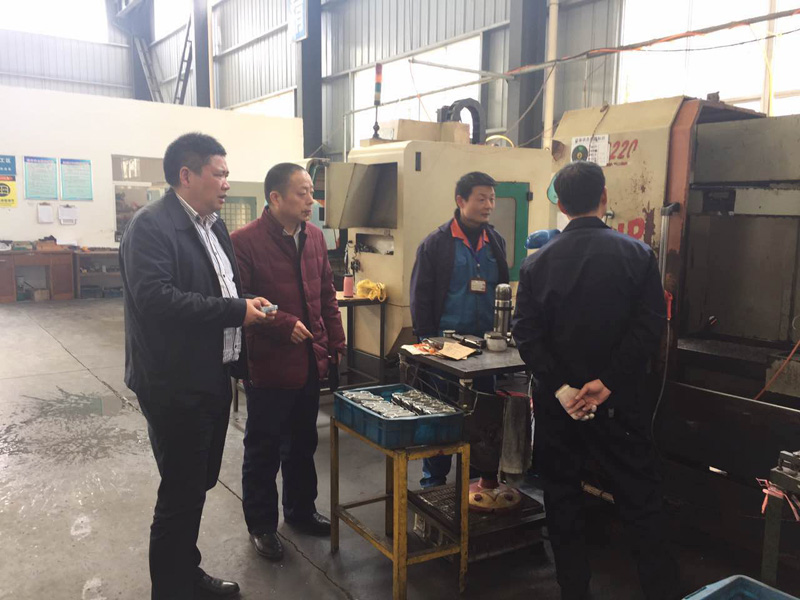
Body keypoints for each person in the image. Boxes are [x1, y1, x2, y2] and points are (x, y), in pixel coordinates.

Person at [512, 160, 678, 600]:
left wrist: (563, 388)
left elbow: (525, 333)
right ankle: (661, 590)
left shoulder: (536, 264)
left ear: (562, 206)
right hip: (620, 404)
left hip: (560, 407)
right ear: (604, 197)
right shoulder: (638, 255)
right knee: (641, 500)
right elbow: (650, 327)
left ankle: (574, 591)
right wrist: (607, 383)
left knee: (562, 498)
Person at [120, 132, 272, 599]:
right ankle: (171, 589)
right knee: (180, 493)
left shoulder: (213, 226)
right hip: (174, 382)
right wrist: (235, 311)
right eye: (218, 174)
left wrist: (245, 302)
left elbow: (216, 289)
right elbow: (157, 300)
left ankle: (186, 573)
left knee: (196, 485)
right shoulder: (151, 226)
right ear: (186, 175)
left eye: (227, 174)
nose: (226, 183)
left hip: (211, 375)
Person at [231, 163, 346, 561]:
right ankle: (262, 526)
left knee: (302, 443)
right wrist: (281, 322)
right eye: (302, 193)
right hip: (269, 365)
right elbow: (240, 299)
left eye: (311, 191)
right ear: (275, 197)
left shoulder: (314, 237)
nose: (310, 200)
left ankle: (300, 510)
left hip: (309, 360)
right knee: (263, 449)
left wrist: (336, 340)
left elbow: (326, 293)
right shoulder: (244, 242)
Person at [409, 171, 509, 487]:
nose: (489, 205)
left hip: (485, 352)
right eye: (481, 198)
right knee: (440, 416)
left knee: (482, 419)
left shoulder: (496, 242)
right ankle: (434, 483)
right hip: (445, 351)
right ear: (461, 200)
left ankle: (475, 482)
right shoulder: (436, 244)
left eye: (492, 198)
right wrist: (428, 344)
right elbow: (420, 297)